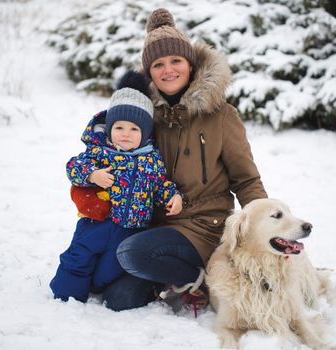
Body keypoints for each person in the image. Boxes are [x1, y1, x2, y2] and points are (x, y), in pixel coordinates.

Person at [100, 8, 268, 312]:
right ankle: (169, 278)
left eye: (176, 61)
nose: (168, 70)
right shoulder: (143, 115)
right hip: (154, 225)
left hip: (204, 226)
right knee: (118, 298)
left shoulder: (220, 115)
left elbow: (247, 179)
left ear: (190, 64)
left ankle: (199, 278)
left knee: (131, 254)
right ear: (148, 72)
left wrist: (264, 231)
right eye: (158, 64)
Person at [49, 70, 183, 303]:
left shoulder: (151, 160)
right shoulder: (99, 152)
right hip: (97, 222)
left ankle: (95, 285)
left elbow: (162, 184)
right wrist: (92, 174)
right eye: (119, 127)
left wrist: (174, 197)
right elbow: (73, 166)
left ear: (145, 133)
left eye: (134, 129)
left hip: (130, 229)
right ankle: (66, 295)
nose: (125, 135)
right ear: (110, 128)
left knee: (109, 269)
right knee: (80, 256)